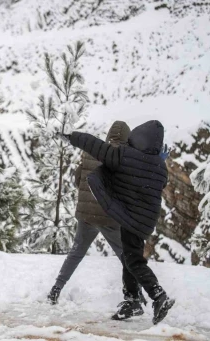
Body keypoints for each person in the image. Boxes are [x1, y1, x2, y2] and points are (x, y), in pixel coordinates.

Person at [57, 120, 174, 325]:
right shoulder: (159, 166)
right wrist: (159, 162)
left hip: (131, 218)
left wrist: (72, 137)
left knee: (133, 261)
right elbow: (160, 182)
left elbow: (94, 145)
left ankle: (158, 296)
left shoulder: (124, 156)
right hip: (145, 220)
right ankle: (132, 300)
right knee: (129, 257)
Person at [47, 121, 148, 317]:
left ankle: (55, 290)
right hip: (110, 219)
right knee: (127, 257)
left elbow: (78, 180)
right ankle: (138, 296)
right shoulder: (124, 158)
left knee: (76, 252)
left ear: (109, 134)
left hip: (86, 216)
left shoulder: (91, 151)